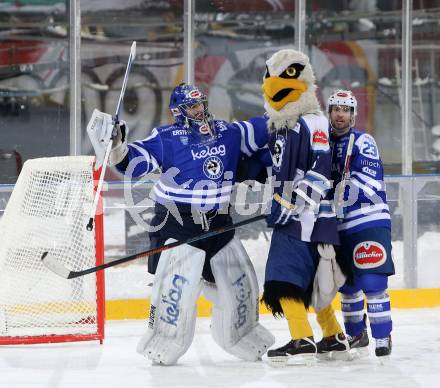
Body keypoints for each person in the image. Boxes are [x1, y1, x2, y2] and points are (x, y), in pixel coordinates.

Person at [87, 83, 274, 365]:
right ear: (178, 110)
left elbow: (263, 128)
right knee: (177, 290)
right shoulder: (167, 137)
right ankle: (163, 338)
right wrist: (116, 146)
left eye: (201, 104)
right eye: (192, 106)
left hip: (218, 222)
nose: (199, 110)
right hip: (179, 223)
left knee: (242, 284)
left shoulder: (227, 131)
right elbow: (135, 162)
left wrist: (289, 112)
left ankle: (241, 333)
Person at [259, 49, 350, 365]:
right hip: (308, 217)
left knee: (281, 277)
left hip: (303, 219)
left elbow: (321, 169)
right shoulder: (290, 123)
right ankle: (333, 335)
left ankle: (301, 338)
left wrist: (289, 203)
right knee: (310, 279)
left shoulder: (310, 122)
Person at [327, 89, 395, 358]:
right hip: (338, 225)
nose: (340, 114)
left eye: (345, 110)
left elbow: (368, 180)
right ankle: (356, 334)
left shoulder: (363, 141)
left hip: (368, 220)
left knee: (372, 280)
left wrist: (340, 189)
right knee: (347, 285)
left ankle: (382, 337)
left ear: (353, 115)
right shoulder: (323, 143)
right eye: (335, 109)